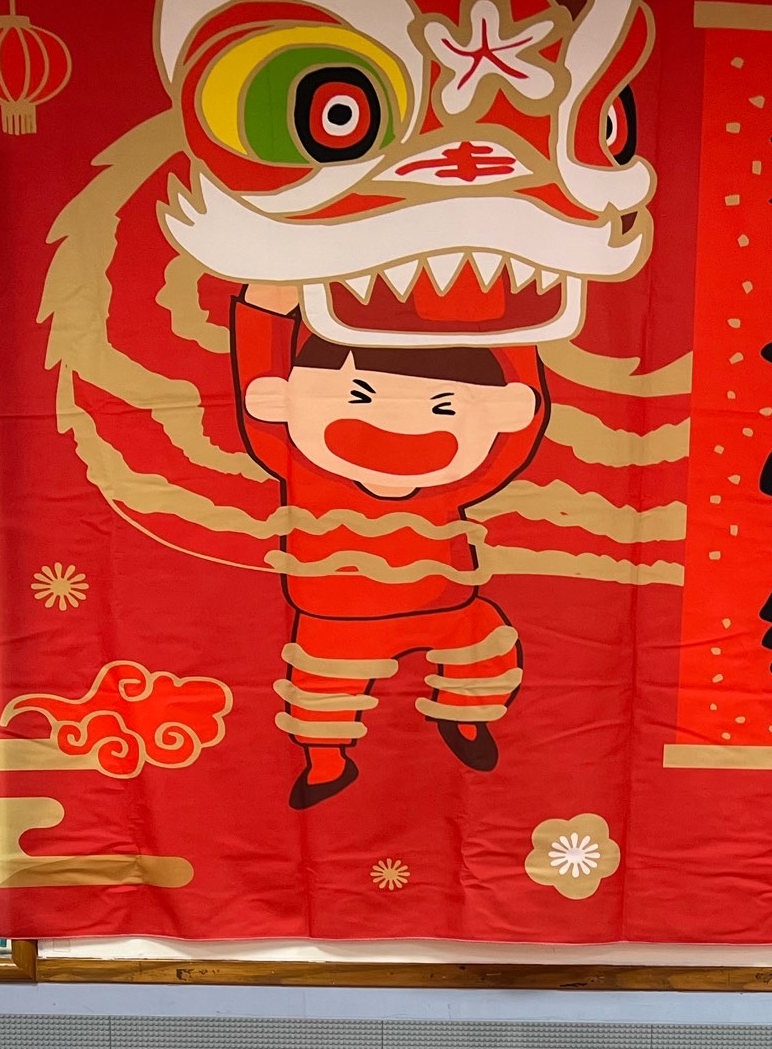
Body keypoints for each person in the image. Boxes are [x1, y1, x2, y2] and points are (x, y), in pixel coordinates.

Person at [232, 286, 548, 809]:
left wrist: (516, 334)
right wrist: (263, 313)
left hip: (444, 605)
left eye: (442, 408)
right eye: (358, 397)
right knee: (323, 691)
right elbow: (260, 402)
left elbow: (522, 422)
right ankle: (327, 763)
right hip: (336, 615)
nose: (398, 427)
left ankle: (464, 718)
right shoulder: (306, 467)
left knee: (485, 648)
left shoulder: (457, 479)